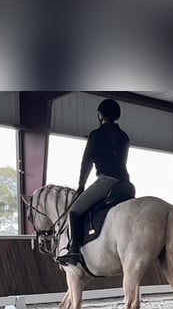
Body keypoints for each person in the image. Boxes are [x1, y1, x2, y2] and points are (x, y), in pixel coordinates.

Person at [56, 99, 131, 265]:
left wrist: (81, 185)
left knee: (74, 212)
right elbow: (122, 162)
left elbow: (87, 162)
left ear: (100, 115)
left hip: (106, 182)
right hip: (126, 185)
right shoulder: (124, 137)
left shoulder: (96, 135)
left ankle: (74, 250)